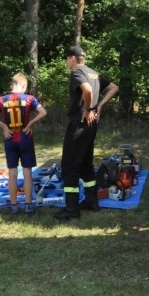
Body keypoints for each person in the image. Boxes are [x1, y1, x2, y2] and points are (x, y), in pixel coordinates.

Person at [55, 45, 119, 220]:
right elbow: (114, 87)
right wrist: (100, 105)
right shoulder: (94, 73)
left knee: (70, 166)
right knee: (85, 164)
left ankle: (71, 209)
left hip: (79, 123)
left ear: (73, 58)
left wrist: (90, 108)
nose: (67, 62)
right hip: (91, 126)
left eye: (67, 59)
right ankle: (91, 200)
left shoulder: (77, 72)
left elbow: (88, 90)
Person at [0, 73, 47, 214]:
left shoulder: (1, 100)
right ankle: (28, 205)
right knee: (27, 173)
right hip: (25, 137)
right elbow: (43, 112)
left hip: (10, 138)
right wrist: (30, 123)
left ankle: (13, 206)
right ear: (23, 86)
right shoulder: (30, 99)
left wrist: (4, 126)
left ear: (12, 84)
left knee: (12, 173)